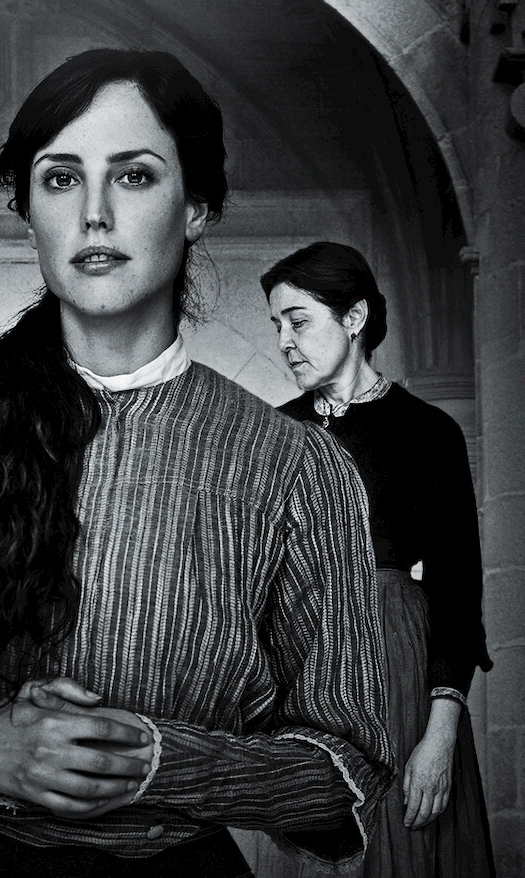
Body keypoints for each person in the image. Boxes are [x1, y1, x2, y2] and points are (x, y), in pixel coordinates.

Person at [0, 48, 394, 878]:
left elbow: (345, 766)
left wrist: (159, 763)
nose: (95, 215)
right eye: (61, 180)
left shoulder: (298, 466)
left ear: (195, 206)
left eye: (133, 177)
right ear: (27, 210)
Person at [247, 240, 495, 878]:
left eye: (298, 321)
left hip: (397, 665)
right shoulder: (270, 435)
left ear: (354, 317)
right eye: (277, 326)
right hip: (297, 670)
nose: (285, 342)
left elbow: (458, 593)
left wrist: (439, 735)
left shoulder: (428, 432)